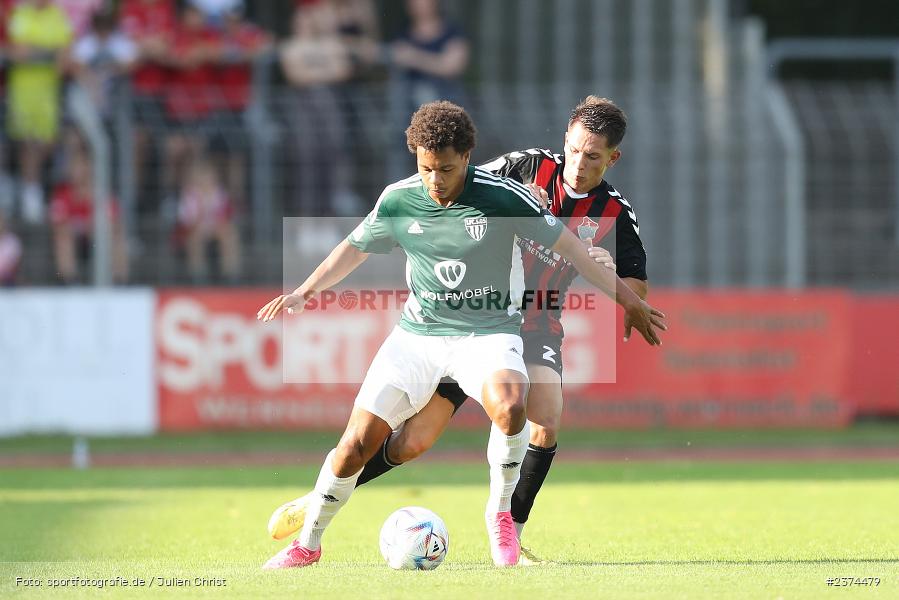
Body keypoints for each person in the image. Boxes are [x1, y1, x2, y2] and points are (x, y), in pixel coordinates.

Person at [257, 100, 666, 569]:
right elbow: (463, 192)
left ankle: (510, 527)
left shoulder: (615, 210)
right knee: (412, 442)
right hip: (455, 317)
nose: (578, 162)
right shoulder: (521, 168)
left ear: (612, 158)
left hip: (531, 320)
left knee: (543, 419)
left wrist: (621, 288)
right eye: (573, 149)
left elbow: (635, 278)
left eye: (592, 156)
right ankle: (322, 496)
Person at [6, 0, 73, 224]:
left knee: (47, 142)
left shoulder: (58, 15)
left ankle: (27, 185)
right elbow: (17, 51)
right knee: (27, 144)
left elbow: (64, 54)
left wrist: (37, 53)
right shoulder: (20, 14)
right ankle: (30, 193)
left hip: (48, 93)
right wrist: (48, 52)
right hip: (23, 92)